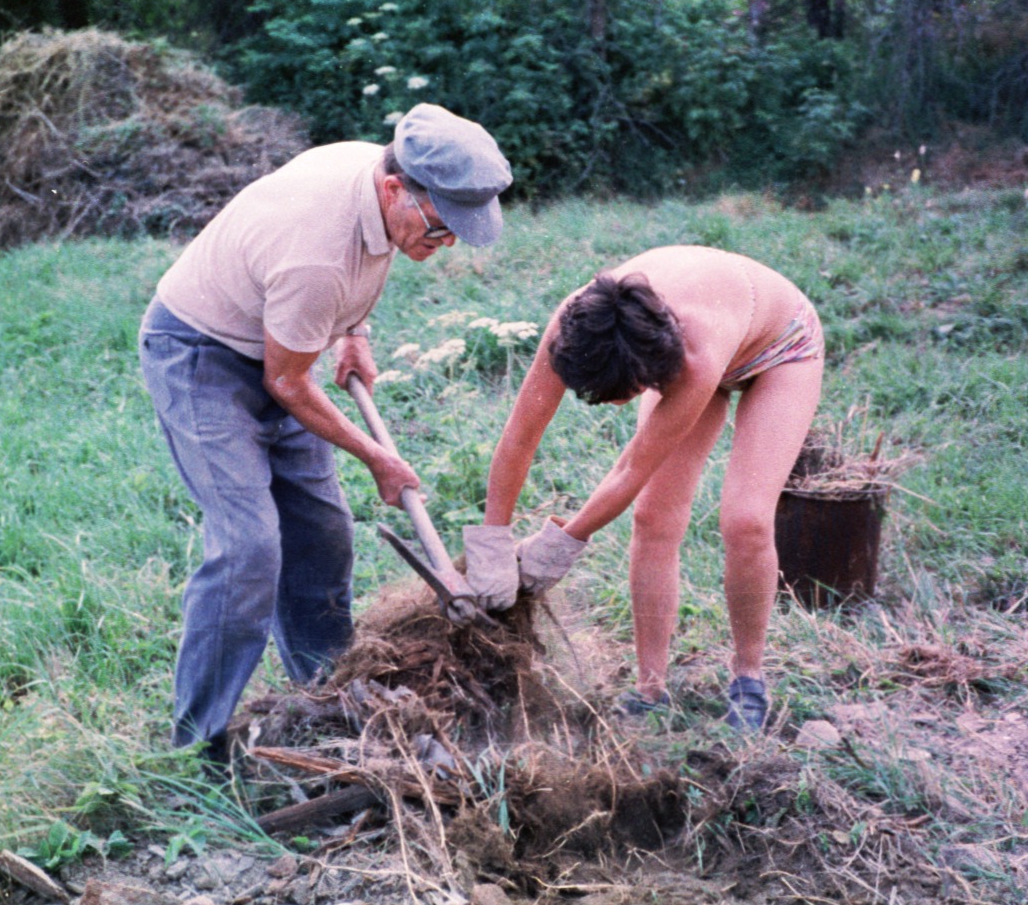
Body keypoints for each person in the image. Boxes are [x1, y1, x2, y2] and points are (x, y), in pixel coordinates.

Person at [138, 103, 513, 760]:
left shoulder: (376, 182)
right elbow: (287, 381)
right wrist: (377, 458)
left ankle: (325, 698)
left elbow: (353, 276)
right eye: (439, 227)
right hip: (201, 355)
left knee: (322, 536)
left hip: (282, 342)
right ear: (395, 187)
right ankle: (192, 748)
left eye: (458, 231)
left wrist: (354, 331)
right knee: (249, 548)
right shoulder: (316, 251)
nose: (443, 242)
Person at [465, 245, 825, 730]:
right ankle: (650, 688)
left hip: (781, 346)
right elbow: (520, 435)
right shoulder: (575, 325)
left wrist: (559, 545)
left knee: (746, 520)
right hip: (697, 335)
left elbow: (630, 470)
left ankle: (748, 679)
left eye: (627, 394)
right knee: (654, 518)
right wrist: (492, 538)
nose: (617, 407)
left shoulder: (696, 356)